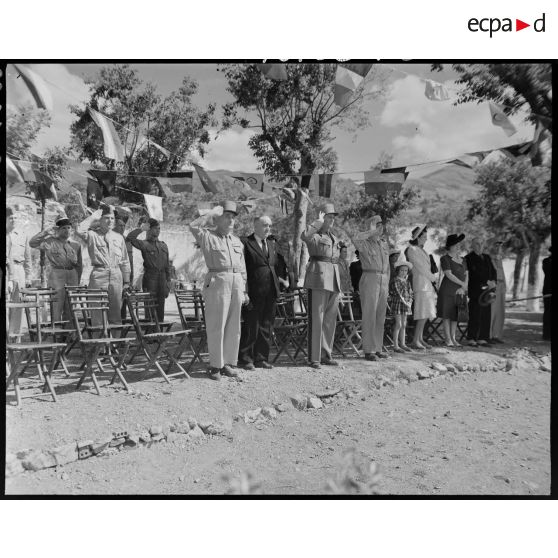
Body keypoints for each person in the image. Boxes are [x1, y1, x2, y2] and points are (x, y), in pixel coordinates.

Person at [189, 201, 248, 381]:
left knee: (233, 326)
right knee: (217, 325)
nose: (231, 221)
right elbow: (192, 226)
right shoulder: (207, 236)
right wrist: (210, 213)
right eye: (227, 216)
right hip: (217, 280)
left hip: (236, 281)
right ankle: (215, 365)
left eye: (233, 217)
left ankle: (229, 363)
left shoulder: (237, 241)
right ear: (218, 218)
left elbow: (242, 267)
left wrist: (244, 289)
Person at [301, 204, 341, 369]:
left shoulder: (334, 237)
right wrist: (317, 221)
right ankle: (314, 357)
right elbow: (304, 236)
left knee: (329, 320)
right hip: (318, 278)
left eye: (333, 217)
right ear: (322, 217)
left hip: (333, 279)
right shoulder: (314, 234)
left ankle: (326, 354)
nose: (332, 220)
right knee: (316, 319)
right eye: (329, 216)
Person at [75, 206, 131, 324]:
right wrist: (93, 217)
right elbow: (79, 230)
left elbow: (125, 261)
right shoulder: (92, 235)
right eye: (106, 218)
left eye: (112, 218)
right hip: (99, 274)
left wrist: (126, 282)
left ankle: (116, 341)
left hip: (116, 275)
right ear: (100, 220)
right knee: (98, 312)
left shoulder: (119, 237)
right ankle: (99, 342)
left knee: (115, 312)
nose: (110, 220)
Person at [238, 215, 280, 370]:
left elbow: (275, 266)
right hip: (254, 291)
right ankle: (245, 359)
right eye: (264, 225)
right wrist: (245, 291)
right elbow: (243, 268)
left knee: (266, 325)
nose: (267, 228)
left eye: (269, 225)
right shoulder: (246, 242)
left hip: (271, 290)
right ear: (255, 226)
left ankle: (261, 358)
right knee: (252, 325)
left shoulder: (271, 243)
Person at [29, 217, 83, 322]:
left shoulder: (76, 245)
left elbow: (79, 265)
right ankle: (57, 335)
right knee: (56, 306)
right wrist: (45, 232)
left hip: (72, 275)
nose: (67, 230)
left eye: (69, 228)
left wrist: (78, 280)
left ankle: (70, 336)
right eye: (63, 228)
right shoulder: (49, 241)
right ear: (58, 230)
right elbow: (33, 243)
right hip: (57, 275)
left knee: (71, 307)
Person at [352, 214, 390, 361]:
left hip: (383, 279)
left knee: (381, 316)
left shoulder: (383, 244)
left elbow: (387, 266)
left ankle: (378, 348)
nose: (381, 228)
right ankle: (369, 350)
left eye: (381, 225)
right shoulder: (364, 242)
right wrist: (370, 231)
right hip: (370, 278)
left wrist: (388, 281)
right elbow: (355, 238)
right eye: (377, 225)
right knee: (369, 314)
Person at [127, 218, 172, 322]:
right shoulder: (144, 244)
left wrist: (168, 281)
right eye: (155, 228)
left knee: (161, 306)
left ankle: (159, 333)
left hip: (162, 278)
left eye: (159, 228)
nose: (158, 230)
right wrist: (141, 229)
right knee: (150, 306)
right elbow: (130, 238)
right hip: (150, 277)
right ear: (149, 230)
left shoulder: (163, 245)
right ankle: (150, 333)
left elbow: (167, 265)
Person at [406, 225, 437, 350]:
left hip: (427, 284)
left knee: (426, 313)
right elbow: (420, 267)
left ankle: (420, 338)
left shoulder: (423, 250)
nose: (426, 239)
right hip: (420, 283)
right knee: (421, 313)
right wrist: (433, 278)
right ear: (417, 238)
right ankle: (415, 340)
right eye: (424, 237)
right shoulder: (412, 249)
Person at [464, 237, 497, 347]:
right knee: (475, 314)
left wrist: (493, 281)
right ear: (472, 245)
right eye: (477, 244)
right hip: (476, 290)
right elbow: (473, 272)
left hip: (488, 291)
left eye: (481, 244)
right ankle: (472, 338)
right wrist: (486, 281)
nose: (480, 246)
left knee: (486, 314)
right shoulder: (469, 258)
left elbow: (493, 271)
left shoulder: (487, 257)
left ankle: (483, 338)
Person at [437, 233, 468, 347]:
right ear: (450, 246)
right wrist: (462, 284)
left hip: (460, 291)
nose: (458, 246)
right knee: (447, 315)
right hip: (448, 290)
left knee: (456, 315)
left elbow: (466, 274)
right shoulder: (444, 258)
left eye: (459, 244)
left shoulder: (463, 259)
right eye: (456, 244)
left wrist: (464, 287)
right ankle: (448, 339)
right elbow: (448, 274)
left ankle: (454, 338)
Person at [388, 257, 413, 353]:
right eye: (402, 270)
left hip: (406, 305)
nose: (404, 272)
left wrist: (409, 301)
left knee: (404, 324)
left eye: (406, 271)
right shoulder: (395, 281)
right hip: (398, 303)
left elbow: (411, 292)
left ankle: (403, 344)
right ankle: (396, 345)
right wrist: (405, 301)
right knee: (398, 324)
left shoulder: (407, 282)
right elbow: (398, 292)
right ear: (398, 271)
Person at [7, 207, 32, 295]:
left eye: (15, 218)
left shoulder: (23, 235)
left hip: (19, 269)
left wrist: (28, 276)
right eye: (10, 218)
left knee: (18, 300)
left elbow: (28, 258)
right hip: (5, 270)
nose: (13, 220)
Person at [114, 218, 135, 320]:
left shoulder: (127, 241)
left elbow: (130, 262)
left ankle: (121, 328)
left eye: (123, 226)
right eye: (120, 225)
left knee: (124, 304)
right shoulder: (109, 239)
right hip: (114, 276)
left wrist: (130, 280)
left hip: (125, 278)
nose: (122, 227)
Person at [489, 239, 507, 343]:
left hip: (501, 286)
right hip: (493, 286)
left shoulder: (500, 259)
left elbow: (502, 274)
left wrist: (504, 285)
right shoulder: (489, 258)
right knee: (492, 311)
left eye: (500, 246)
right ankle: (489, 335)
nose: (499, 248)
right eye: (496, 245)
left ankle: (497, 335)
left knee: (500, 312)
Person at [542, 246, 551, 341]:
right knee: (548, 312)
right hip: (548, 290)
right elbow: (548, 272)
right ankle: (547, 334)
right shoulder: (546, 261)